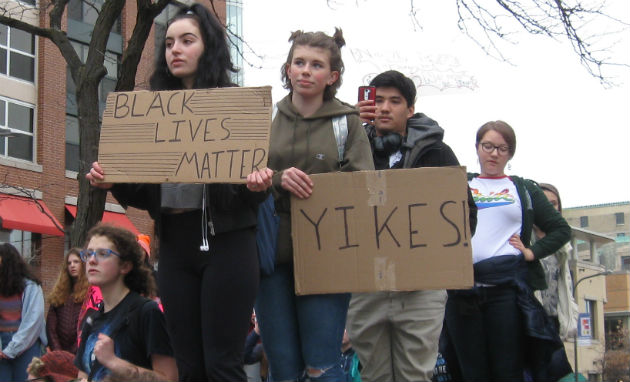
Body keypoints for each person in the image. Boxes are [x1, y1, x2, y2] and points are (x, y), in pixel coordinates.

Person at [86, 3, 272, 380]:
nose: (175, 50)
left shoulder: (236, 106)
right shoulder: (152, 108)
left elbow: (249, 190)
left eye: (187, 41)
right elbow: (144, 190)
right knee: (187, 364)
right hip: (174, 245)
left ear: (209, 48)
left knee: (221, 362)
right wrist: (114, 181)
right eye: (169, 42)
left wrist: (258, 185)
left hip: (229, 243)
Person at [254, 28, 373, 382]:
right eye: (299, 62)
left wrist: (314, 186)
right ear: (287, 69)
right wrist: (276, 179)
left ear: (332, 76)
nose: (306, 70)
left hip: (327, 256)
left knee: (321, 366)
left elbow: (363, 185)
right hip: (270, 256)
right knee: (282, 368)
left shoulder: (347, 123)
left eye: (316, 65)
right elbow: (242, 175)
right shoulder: (265, 119)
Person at [347, 70, 477, 382]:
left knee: (415, 375)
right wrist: (349, 128)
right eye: (378, 100)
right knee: (373, 376)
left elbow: (465, 216)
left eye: (395, 101)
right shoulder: (349, 150)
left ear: (410, 110)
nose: (384, 108)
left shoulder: (438, 154)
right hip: (366, 287)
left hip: (421, 290)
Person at [443, 120, 572, 381]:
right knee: (470, 372)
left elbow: (561, 229)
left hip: (507, 293)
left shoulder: (523, 189)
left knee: (507, 371)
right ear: (477, 148)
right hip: (463, 293)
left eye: (502, 148)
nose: (494, 153)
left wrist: (532, 253)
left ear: (510, 153)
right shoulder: (458, 183)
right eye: (488, 146)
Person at [74, 223, 177, 381]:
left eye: (103, 253)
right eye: (88, 253)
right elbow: (83, 374)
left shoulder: (146, 312)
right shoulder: (92, 319)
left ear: (125, 265)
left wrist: (114, 362)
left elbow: (170, 379)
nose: (92, 260)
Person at [535, 183, 579, 340]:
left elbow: (566, 284)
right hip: (530, 321)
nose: (549, 208)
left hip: (554, 320)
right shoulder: (524, 238)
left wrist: (570, 318)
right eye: (544, 202)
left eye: (553, 203)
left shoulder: (561, 243)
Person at [0, 243, 47, 382]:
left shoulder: (31, 286)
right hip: (2, 342)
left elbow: (33, 321)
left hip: (27, 343)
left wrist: (12, 349)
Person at [46, 248, 89, 354]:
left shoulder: (91, 293)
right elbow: (51, 327)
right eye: (69, 263)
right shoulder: (59, 291)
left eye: (76, 262)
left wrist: (73, 353)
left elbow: (88, 327)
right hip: (58, 352)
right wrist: (59, 352)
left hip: (81, 352)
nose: (72, 265)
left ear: (83, 264)